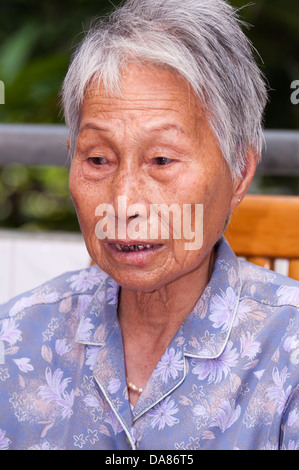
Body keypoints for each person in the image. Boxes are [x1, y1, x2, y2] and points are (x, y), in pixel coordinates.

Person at [0, 0, 298, 451]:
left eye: (161, 159)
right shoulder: (16, 341)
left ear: (240, 172)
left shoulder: (288, 356)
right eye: (98, 159)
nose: (123, 203)